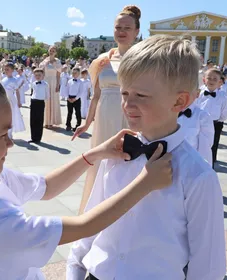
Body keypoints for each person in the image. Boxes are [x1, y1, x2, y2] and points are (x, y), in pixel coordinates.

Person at [0, 26, 174, 280]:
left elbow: (46, 187)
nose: (10, 144)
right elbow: (85, 226)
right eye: (4, 135)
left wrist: (95, 154)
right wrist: (145, 183)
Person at [67, 35, 226, 280]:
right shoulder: (117, 154)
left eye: (141, 96)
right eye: (125, 93)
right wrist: (75, 271)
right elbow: (90, 224)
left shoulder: (199, 176)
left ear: (180, 100)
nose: (128, 105)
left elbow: (208, 266)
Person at [73, 5, 141, 213]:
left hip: (130, 117)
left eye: (127, 28)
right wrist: (86, 123)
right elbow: (96, 96)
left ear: (136, 32)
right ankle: (97, 211)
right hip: (104, 118)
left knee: (128, 163)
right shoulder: (102, 61)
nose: (121, 31)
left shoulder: (143, 60)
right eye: (118, 27)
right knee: (102, 163)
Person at [196, 68, 227, 168]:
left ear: (220, 82)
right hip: (199, 122)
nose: (211, 81)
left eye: (215, 79)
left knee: (213, 144)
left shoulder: (222, 96)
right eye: (209, 78)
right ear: (204, 80)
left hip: (215, 123)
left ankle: (210, 166)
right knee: (198, 142)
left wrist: (220, 121)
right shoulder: (199, 93)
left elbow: (224, 111)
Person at [178, 89, 214, 165]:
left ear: (197, 93)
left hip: (190, 164)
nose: (183, 96)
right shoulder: (167, 113)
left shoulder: (202, 117)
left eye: (188, 93)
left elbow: (205, 147)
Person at [1, 62, 25, 139]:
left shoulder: (14, 80)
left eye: (8, 69)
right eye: (5, 69)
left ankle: (9, 133)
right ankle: (4, 132)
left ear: (12, 70)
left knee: (11, 116)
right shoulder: (4, 79)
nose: (6, 71)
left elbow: (17, 91)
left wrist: (19, 101)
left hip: (11, 99)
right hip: (4, 99)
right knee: (4, 116)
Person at [39, 46, 62, 128]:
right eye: (50, 50)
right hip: (46, 81)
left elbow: (59, 75)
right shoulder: (45, 61)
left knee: (53, 101)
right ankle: (46, 121)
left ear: (56, 52)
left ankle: (52, 121)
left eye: (53, 51)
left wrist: (58, 85)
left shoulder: (58, 61)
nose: (51, 52)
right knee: (46, 101)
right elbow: (40, 71)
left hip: (54, 81)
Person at [29, 68, 49, 143]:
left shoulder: (45, 84)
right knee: (33, 120)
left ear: (43, 76)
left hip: (40, 102)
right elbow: (33, 92)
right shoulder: (33, 83)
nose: (37, 77)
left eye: (39, 75)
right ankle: (33, 137)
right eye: (36, 75)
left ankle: (38, 138)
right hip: (33, 101)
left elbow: (47, 95)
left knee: (39, 120)